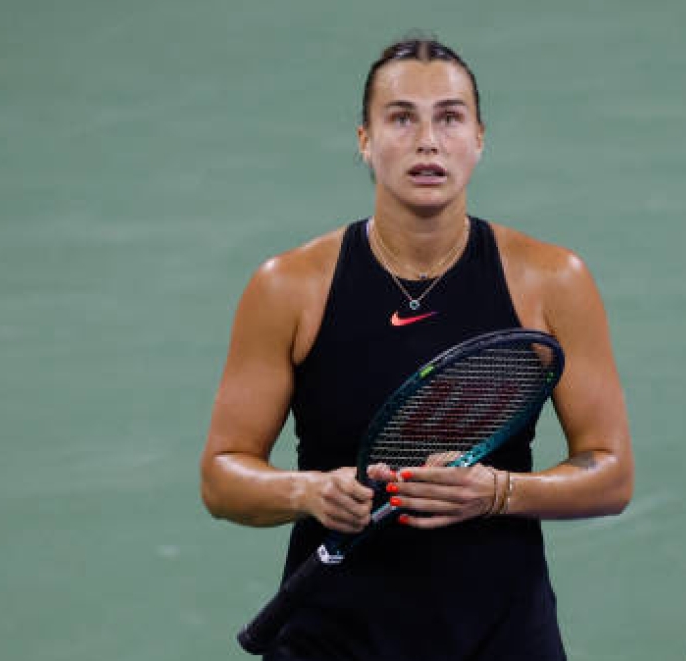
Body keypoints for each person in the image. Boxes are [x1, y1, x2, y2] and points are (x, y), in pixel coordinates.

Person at [200, 35, 633, 661]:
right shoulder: (289, 287)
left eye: (450, 117)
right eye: (401, 118)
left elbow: (610, 474)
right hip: (332, 640)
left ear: (479, 138)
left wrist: (498, 492)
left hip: (499, 636)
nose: (428, 141)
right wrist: (309, 491)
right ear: (365, 139)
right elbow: (222, 476)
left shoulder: (552, 280)